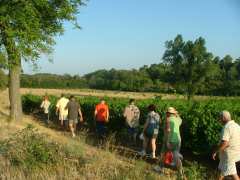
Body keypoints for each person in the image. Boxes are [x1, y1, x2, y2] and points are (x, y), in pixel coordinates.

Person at [212, 111, 240, 180]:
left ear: (223, 118)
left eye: (220, 118)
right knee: (223, 172)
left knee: (232, 174)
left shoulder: (226, 127)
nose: (219, 120)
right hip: (235, 154)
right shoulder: (237, 126)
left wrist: (216, 152)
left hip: (228, 156)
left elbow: (225, 143)